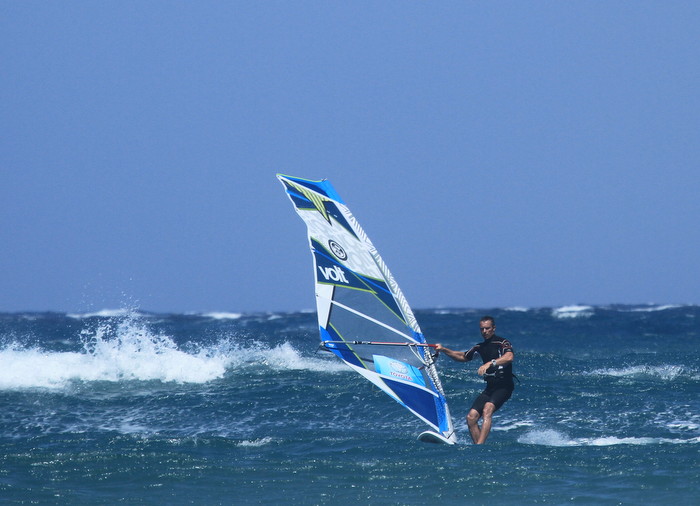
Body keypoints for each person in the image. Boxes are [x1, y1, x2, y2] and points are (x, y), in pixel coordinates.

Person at [435, 316, 515, 444]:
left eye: (487, 328)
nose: (484, 331)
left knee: (487, 409)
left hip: (504, 386)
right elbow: (462, 356)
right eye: (482, 329)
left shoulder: (502, 343)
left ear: (493, 328)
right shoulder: (480, 347)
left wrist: (490, 363)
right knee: (471, 418)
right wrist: (444, 349)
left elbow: (509, 357)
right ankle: (479, 447)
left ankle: (480, 446)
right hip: (490, 388)